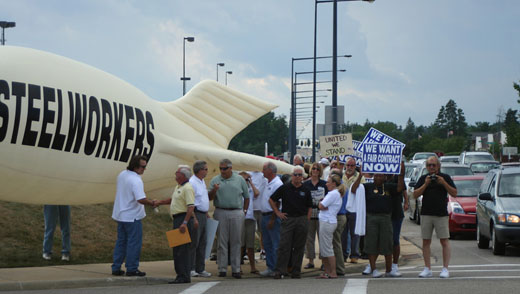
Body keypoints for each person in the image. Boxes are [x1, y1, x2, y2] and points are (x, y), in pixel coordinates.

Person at [354, 162, 405, 278]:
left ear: (384, 177)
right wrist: (360, 175)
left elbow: (400, 188)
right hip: (371, 218)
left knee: (387, 244)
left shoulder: (388, 186)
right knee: (371, 244)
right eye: (376, 175)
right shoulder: (367, 187)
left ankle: (389, 270)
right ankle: (374, 269)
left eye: (380, 175)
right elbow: (354, 189)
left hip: (386, 218)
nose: (378, 177)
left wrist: (401, 174)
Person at [111, 155, 157, 277]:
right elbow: (141, 199)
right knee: (133, 243)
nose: (144, 169)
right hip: (132, 216)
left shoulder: (122, 174)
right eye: (143, 166)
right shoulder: (136, 180)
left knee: (121, 242)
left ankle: (116, 267)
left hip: (121, 214)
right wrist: (152, 202)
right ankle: (131, 268)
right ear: (135, 166)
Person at [414, 156, 457, 278]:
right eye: (429, 165)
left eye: (434, 165)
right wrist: (425, 184)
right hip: (426, 213)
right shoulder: (423, 178)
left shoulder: (445, 178)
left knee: (444, 241)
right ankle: (427, 268)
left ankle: (445, 268)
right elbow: (415, 194)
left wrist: (443, 183)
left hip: (441, 214)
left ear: (438, 166)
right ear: (426, 167)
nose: (431, 167)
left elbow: (454, 193)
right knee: (426, 241)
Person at [209, 159, 250, 279]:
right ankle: (222, 268)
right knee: (222, 242)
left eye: (225, 168)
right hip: (221, 210)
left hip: (236, 211)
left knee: (236, 241)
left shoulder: (239, 179)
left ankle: (236, 268)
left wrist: (245, 211)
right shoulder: (215, 180)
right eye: (221, 168)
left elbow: (246, 197)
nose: (222, 171)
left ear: (230, 168)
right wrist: (214, 190)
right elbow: (209, 197)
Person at [156, 165, 196, 284]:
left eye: (177, 172)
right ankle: (180, 274)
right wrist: (160, 202)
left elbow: (190, 207)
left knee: (182, 250)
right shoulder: (179, 187)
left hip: (183, 219)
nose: (175, 174)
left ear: (182, 175)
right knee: (177, 249)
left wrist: (184, 223)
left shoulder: (188, 188)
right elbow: (172, 199)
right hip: (177, 219)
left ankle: (184, 275)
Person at [270, 166, 312, 279]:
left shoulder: (306, 189)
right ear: (292, 176)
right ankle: (279, 270)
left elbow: (310, 207)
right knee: (284, 245)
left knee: (299, 247)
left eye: (299, 175)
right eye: (295, 174)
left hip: (302, 219)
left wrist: (306, 220)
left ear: (303, 177)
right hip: (288, 219)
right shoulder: (285, 188)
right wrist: (278, 213)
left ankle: (296, 271)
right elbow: (272, 199)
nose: (297, 177)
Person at [317, 173, 345, 279]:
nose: (326, 184)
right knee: (324, 248)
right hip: (328, 221)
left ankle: (332, 272)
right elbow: (323, 205)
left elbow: (321, 205)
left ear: (334, 183)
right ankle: (328, 271)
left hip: (327, 221)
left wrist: (322, 204)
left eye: (328, 182)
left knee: (327, 248)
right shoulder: (335, 193)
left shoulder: (333, 194)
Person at [259, 161, 284, 277]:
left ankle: (277, 268)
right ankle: (270, 266)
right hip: (264, 215)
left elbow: (277, 203)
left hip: (271, 216)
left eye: (264, 169)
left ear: (270, 170)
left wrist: (273, 219)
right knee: (267, 243)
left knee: (275, 244)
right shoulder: (267, 182)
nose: (262, 171)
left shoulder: (277, 184)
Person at [189, 160, 212, 278]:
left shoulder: (201, 181)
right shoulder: (192, 182)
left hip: (203, 214)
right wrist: (194, 217)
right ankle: (191, 267)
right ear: (200, 170)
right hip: (196, 214)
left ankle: (200, 268)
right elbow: (190, 202)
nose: (207, 171)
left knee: (203, 242)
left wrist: (206, 212)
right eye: (206, 169)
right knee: (194, 242)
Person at [303, 162, 328, 269]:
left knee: (322, 238)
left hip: (321, 213)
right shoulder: (305, 184)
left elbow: (328, 197)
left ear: (320, 171)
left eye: (317, 169)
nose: (315, 171)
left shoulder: (324, 184)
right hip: (309, 213)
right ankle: (311, 260)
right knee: (309, 238)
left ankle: (323, 261)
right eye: (313, 169)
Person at [341, 157, 365, 264]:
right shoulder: (340, 176)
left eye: (352, 165)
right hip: (342, 208)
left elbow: (359, 189)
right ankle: (343, 255)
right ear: (345, 165)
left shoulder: (360, 177)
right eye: (348, 165)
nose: (350, 167)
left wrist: (360, 176)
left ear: (355, 167)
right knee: (343, 233)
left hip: (354, 209)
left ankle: (354, 255)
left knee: (354, 233)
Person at [388, 170, 409, 277]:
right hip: (383, 212)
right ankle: (372, 264)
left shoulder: (397, 177)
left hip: (396, 212)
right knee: (379, 240)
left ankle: (395, 264)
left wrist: (406, 201)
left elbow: (403, 189)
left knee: (395, 239)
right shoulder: (379, 176)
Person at [239, 172, 260, 274]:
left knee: (250, 244)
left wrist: (251, 183)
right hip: (241, 219)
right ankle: (238, 266)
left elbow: (257, 193)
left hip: (250, 219)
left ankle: (253, 267)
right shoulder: (238, 190)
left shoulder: (250, 190)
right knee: (240, 244)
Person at [329, 168, 347, 276]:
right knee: (335, 242)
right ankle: (336, 266)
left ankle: (339, 267)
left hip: (338, 216)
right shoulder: (342, 188)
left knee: (336, 243)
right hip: (340, 216)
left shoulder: (338, 190)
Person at [249, 170, 267, 260]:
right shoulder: (248, 174)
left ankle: (263, 250)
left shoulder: (264, 176)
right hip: (251, 209)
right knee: (250, 233)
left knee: (262, 231)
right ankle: (248, 252)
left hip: (261, 208)